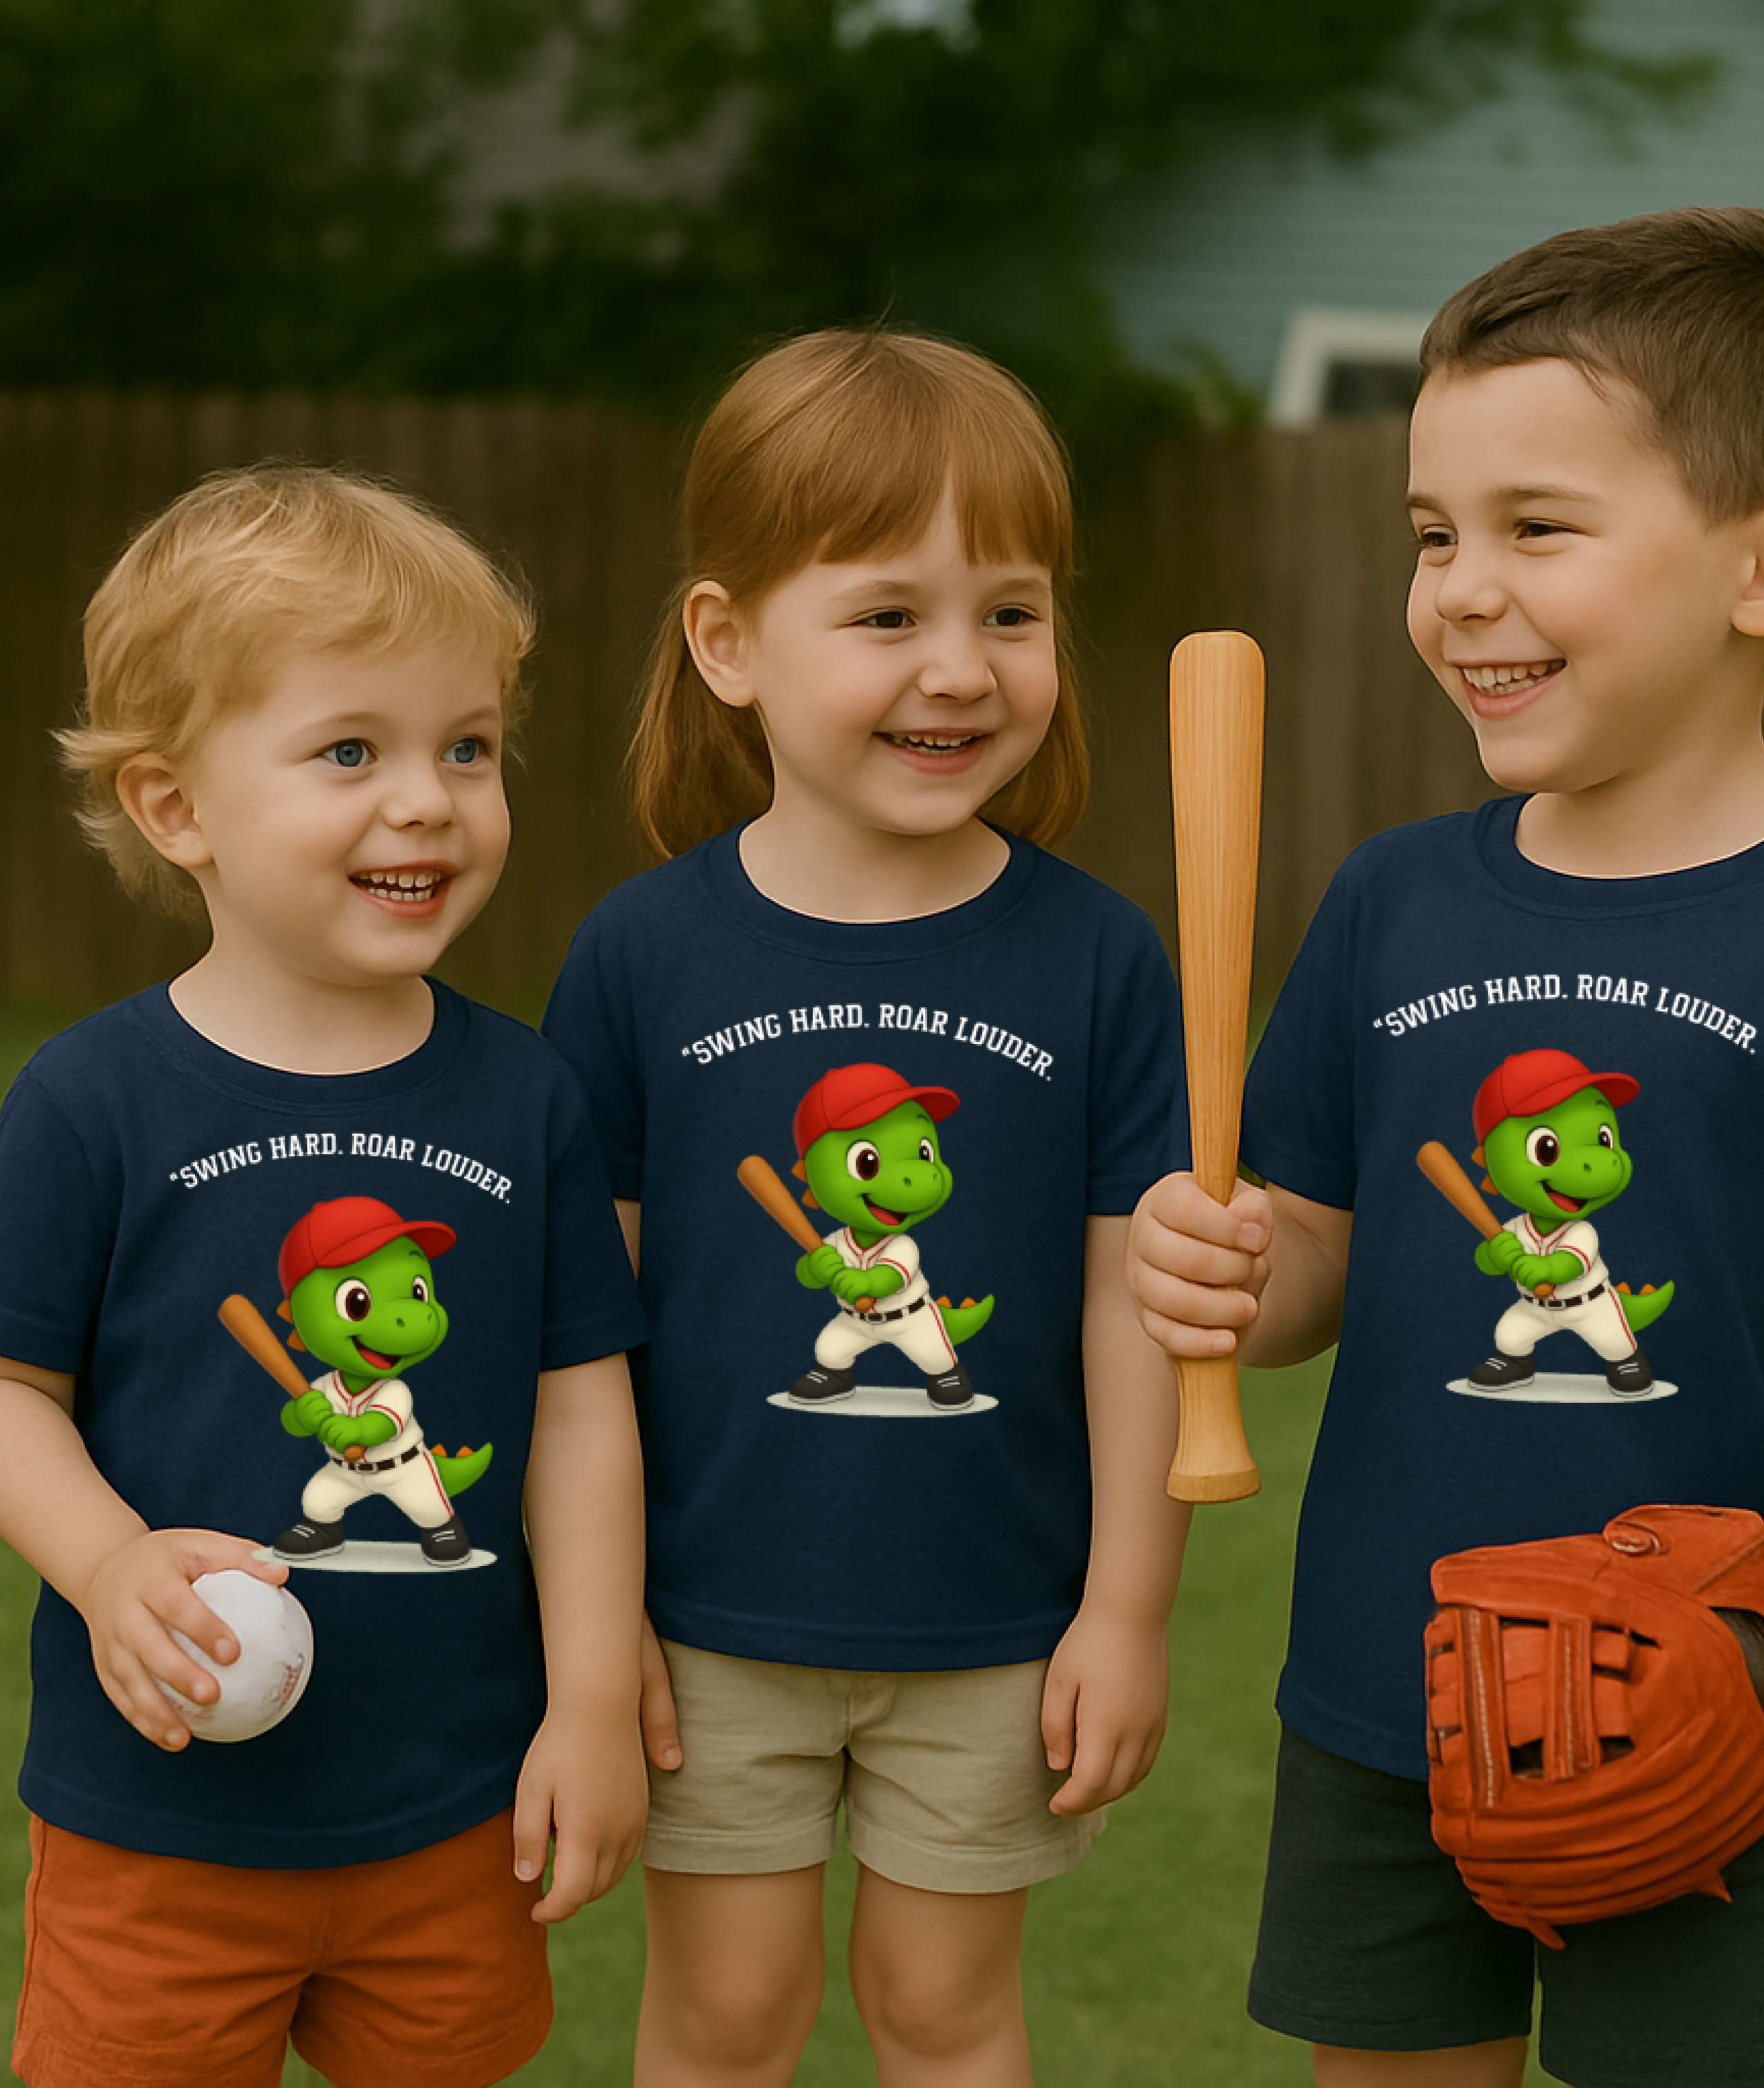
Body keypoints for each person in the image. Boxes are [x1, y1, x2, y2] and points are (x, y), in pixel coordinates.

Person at [1124, 207, 1764, 2088]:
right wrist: (1237, 1265)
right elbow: (1314, 1252)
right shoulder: (1388, 908)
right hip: (1390, 1682)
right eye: (1432, 535)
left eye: (1539, 529)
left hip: (1712, 1702)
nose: (1460, 589)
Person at [0, 464, 651, 2088]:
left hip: (450, 1804)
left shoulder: (525, 1095)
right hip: (163, 1812)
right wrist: (110, 1565)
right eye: (353, 751)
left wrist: (593, 1702)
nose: (430, 801)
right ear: (175, 806)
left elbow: (583, 1416)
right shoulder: (91, 1099)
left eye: (467, 747)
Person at [542, 327, 1190, 2087]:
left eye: (1011, 610)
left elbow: (1133, 1315)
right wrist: (593, 1647)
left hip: (996, 1625)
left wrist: (1125, 1608)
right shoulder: (640, 956)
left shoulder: (1099, 958)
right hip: (705, 1618)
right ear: (729, 642)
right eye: (889, 614)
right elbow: (572, 1346)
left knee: (943, 2015)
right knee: (728, 2020)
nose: (961, 669)